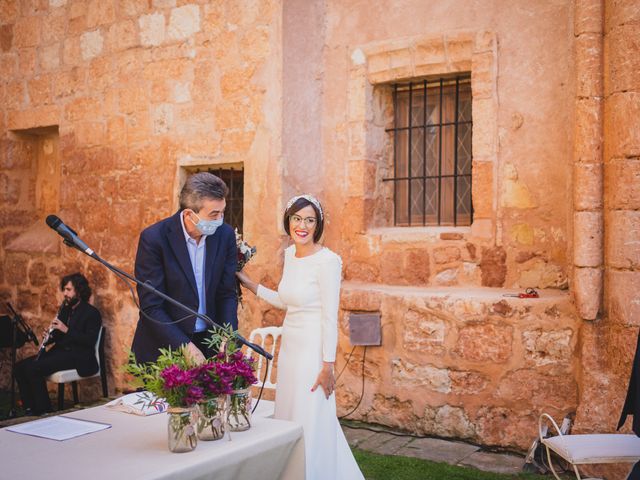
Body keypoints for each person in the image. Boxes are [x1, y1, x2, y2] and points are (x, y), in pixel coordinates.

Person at [237, 194, 364, 480]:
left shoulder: (328, 261)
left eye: (309, 220)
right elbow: (286, 300)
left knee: (311, 417)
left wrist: (328, 365)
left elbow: (330, 317)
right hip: (291, 348)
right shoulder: (291, 255)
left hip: (312, 351)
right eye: (297, 219)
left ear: (317, 224)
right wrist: (249, 283)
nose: (302, 225)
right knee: (289, 414)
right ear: (289, 221)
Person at [131, 172, 238, 364]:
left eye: (223, 212)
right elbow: (152, 306)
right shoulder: (154, 239)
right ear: (189, 214)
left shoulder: (225, 235)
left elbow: (226, 293)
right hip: (164, 346)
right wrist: (185, 346)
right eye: (214, 214)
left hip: (209, 343)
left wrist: (228, 335)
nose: (220, 219)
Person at [14, 273, 102, 415]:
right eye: (64, 289)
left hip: (78, 356)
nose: (65, 293)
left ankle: (44, 411)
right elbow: (58, 334)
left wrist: (65, 329)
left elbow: (89, 341)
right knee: (19, 368)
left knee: (34, 368)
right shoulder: (66, 310)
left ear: (79, 291)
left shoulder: (92, 313)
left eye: (68, 290)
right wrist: (49, 336)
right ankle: (30, 408)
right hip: (61, 353)